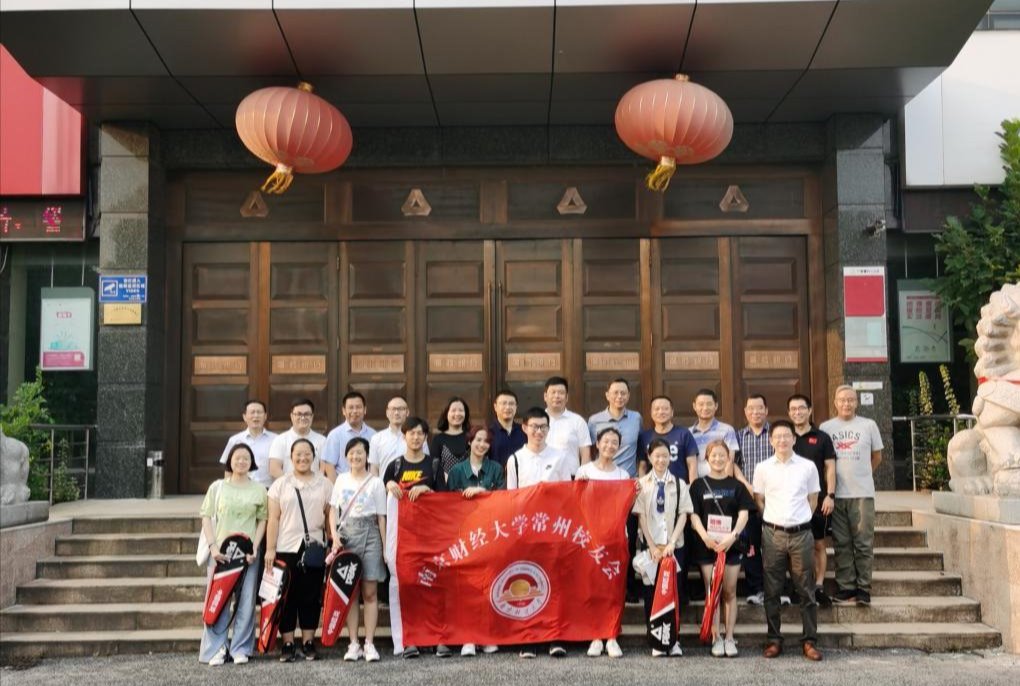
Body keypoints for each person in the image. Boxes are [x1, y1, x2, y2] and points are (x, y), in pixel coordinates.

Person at [752, 420, 822, 661]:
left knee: (806, 589)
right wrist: (773, 520)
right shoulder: (763, 468)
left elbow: (813, 499)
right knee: (772, 590)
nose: (782, 440)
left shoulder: (808, 467)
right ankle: (774, 639)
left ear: (794, 439)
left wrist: (800, 519)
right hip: (773, 535)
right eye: (777, 436)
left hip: (801, 534)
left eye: (786, 436)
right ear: (770, 440)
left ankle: (810, 641)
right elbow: (759, 499)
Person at [506, 407, 573, 658]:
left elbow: (567, 494)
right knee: (528, 581)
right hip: (525, 530)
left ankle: (555, 636)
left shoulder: (560, 457)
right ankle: (529, 637)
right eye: (534, 426)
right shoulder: (515, 459)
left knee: (555, 582)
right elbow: (511, 498)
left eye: (543, 427)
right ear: (524, 428)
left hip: (553, 529)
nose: (538, 431)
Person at [198, 444, 268, 666]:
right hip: (221, 553)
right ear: (230, 460)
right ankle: (217, 648)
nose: (241, 462)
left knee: (246, 601)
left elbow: (262, 520)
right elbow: (206, 516)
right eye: (237, 458)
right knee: (218, 600)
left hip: (247, 555)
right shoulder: (217, 487)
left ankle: (240, 648)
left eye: (246, 458)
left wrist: (255, 547)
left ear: (252, 462)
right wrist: (213, 547)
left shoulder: (259, 489)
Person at [265, 438, 333, 662]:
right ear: (291, 457)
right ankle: (287, 643)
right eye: (298, 454)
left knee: (311, 596)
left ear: (314, 456)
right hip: (286, 546)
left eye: (307, 454)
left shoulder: (325, 484)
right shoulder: (280, 484)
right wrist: (270, 549)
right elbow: (273, 519)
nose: (303, 458)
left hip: (314, 548)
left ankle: (308, 642)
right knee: (287, 596)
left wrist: (332, 542)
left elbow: (329, 515)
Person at [383, 417, 444, 659]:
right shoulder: (395, 466)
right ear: (404, 436)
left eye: (420, 433)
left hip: (429, 537)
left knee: (432, 586)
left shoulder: (434, 465)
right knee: (405, 587)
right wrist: (389, 484)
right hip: (402, 539)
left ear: (425, 437)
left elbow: (444, 500)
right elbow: (385, 498)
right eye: (412, 433)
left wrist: (428, 490)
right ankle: (408, 640)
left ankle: (435, 638)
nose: (416, 437)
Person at [690, 440, 755, 658]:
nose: (718, 459)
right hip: (707, 546)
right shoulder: (698, 485)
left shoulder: (737, 486)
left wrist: (732, 536)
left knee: (730, 591)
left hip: (731, 546)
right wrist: (705, 537)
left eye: (722, 455)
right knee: (713, 591)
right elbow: (693, 515)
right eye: (713, 455)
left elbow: (744, 514)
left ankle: (729, 637)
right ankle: (716, 637)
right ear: (706, 459)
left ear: (728, 458)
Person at [820, 385, 883, 607]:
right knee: (842, 543)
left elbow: (877, 457)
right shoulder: (826, 427)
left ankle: (864, 588)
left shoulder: (869, 425)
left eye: (850, 400)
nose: (846, 404)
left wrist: (863, 475)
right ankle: (846, 587)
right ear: (835, 402)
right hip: (836, 495)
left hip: (862, 494)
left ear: (856, 402)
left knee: (863, 543)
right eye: (842, 400)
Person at [445, 425, 504, 657]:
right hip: (465, 536)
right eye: (478, 440)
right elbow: (448, 506)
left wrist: (481, 492)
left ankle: (486, 635)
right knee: (467, 588)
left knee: (489, 585)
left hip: (491, 534)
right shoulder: (456, 471)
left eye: (486, 441)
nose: (482, 445)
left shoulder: (496, 469)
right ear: (470, 442)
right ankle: (468, 637)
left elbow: (504, 499)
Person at [329, 437, 387, 663]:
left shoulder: (376, 482)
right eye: (352, 453)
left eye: (360, 452)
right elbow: (333, 510)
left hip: (371, 534)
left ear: (367, 455)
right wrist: (334, 536)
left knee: (370, 592)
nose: (356, 456)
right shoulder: (341, 479)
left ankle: (369, 643)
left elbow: (381, 517)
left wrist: (384, 547)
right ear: (346, 457)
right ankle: (353, 643)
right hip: (348, 536)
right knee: (350, 592)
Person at [633, 438, 693, 657]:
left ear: (670, 457)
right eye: (657, 456)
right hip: (651, 548)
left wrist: (671, 543)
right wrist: (651, 546)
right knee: (651, 594)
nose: (661, 460)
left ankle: (674, 639)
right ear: (649, 457)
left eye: (665, 456)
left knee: (674, 593)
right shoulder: (642, 484)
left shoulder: (679, 483)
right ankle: (656, 640)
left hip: (673, 547)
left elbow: (683, 514)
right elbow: (640, 517)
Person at [577, 427, 632, 659]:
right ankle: (595, 636)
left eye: (614, 442)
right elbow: (576, 505)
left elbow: (625, 508)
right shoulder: (584, 471)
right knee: (592, 588)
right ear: (597, 444)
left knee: (613, 589)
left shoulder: (623, 476)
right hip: (590, 539)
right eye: (606, 441)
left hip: (615, 538)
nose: (610, 446)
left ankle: (611, 635)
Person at [788, 393, 837, 607]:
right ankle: (798, 586)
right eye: (793, 409)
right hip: (791, 501)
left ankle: (818, 586)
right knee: (792, 545)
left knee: (818, 544)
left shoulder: (822, 437)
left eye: (801, 408)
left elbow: (830, 468)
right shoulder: (785, 437)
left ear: (809, 411)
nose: (797, 412)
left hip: (818, 499)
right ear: (789, 413)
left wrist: (830, 495)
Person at [736, 394, 773, 606]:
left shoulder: (775, 434)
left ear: (766, 410)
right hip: (748, 499)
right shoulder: (739, 436)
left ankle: (775, 589)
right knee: (751, 546)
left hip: (773, 499)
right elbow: (734, 465)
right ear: (745, 411)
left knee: (773, 547)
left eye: (760, 408)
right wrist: (747, 485)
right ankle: (755, 588)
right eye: (751, 408)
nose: (755, 412)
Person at [637, 395, 698, 483]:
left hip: (679, 487)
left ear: (672, 412)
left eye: (665, 409)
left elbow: (692, 464)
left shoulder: (684, 434)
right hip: (652, 487)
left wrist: (693, 488)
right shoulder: (645, 436)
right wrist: (642, 486)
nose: (661, 412)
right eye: (657, 409)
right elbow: (642, 466)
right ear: (651, 413)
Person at [219, 399, 277, 489]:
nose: (256, 416)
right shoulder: (235, 440)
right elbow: (228, 469)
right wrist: (228, 489)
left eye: (259, 412)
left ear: (265, 416)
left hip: (269, 489)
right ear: (244, 417)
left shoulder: (276, 439)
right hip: (242, 488)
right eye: (252, 412)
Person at [369, 396, 430, 477]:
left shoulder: (417, 438)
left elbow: (425, 463)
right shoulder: (377, 438)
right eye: (393, 409)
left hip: (412, 483)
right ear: (387, 413)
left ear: (407, 412)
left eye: (401, 409)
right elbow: (374, 468)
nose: (396, 413)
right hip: (385, 484)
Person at [322, 391, 376, 482]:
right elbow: (329, 466)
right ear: (344, 411)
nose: (354, 411)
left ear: (365, 410)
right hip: (344, 485)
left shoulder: (373, 435)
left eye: (358, 407)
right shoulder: (335, 435)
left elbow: (375, 464)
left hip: (368, 485)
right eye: (350, 407)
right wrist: (337, 487)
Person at [543, 376, 592, 475]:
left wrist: (582, 476)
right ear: (545, 396)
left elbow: (585, 453)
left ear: (567, 397)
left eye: (561, 393)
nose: (557, 396)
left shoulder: (577, 421)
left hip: (571, 477)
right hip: (542, 477)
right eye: (553, 392)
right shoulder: (537, 420)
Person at [268, 398, 326, 480]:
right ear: (291, 416)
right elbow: (274, 469)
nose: (302, 417)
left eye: (307, 414)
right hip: (287, 485)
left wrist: (312, 484)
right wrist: (293, 483)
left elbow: (324, 469)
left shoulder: (322, 441)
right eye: (298, 414)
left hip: (314, 486)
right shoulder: (280, 440)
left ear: (312, 416)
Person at [689, 389, 739, 480]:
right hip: (696, 484)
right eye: (701, 404)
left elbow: (729, 461)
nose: (705, 408)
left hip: (720, 483)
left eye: (709, 404)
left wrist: (725, 485)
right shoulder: (688, 433)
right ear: (694, 406)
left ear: (716, 406)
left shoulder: (727, 430)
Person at [431, 397, 471, 476]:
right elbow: (434, 466)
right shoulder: (438, 439)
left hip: (469, 482)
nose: (457, 414)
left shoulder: (471, 437)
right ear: (446, 413)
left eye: (461, 410)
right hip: (445, 482)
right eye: (453, 410)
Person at [488, 388, 526, 467]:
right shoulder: (488, 432)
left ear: (516, 407)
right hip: (497, 475)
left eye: (511, 404)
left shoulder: (524, 431)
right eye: (503, 403)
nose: (508, 407)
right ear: (495, 407)